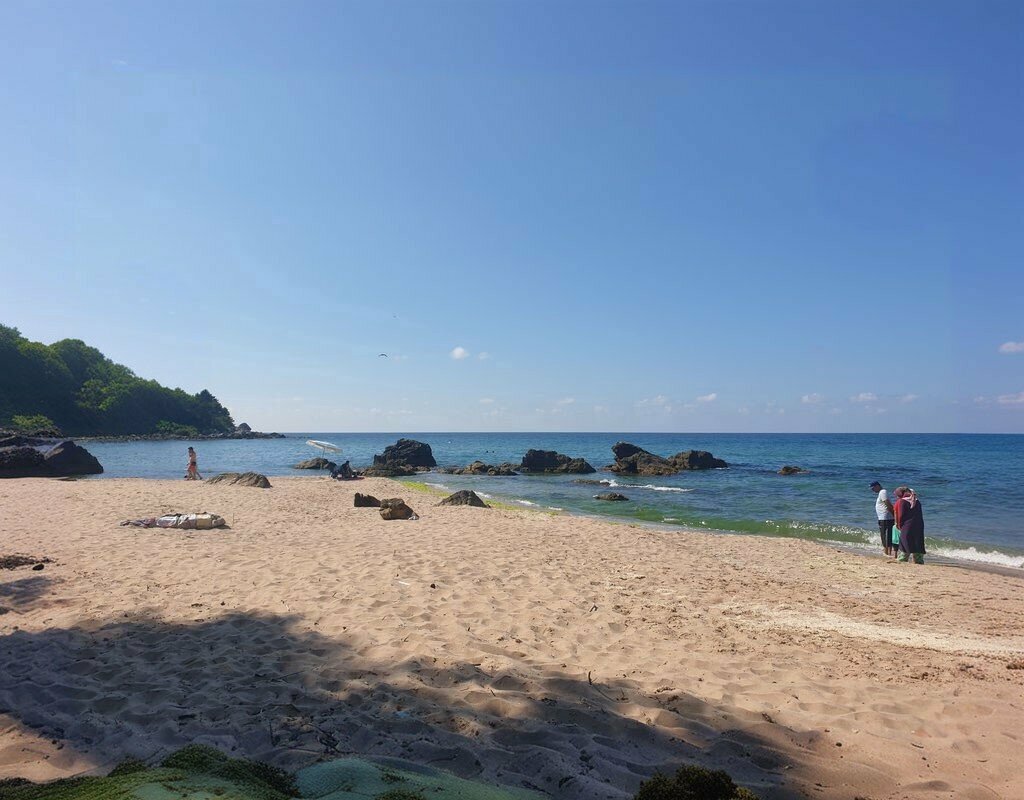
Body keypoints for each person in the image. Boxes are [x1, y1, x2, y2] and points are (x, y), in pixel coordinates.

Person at [894, 486, 925, 564]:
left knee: (905, 541)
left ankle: (903, 558)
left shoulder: (902, 501)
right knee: (917, 541)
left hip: (907, 525)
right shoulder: (916, 501)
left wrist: (898, 525)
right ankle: (918, 560)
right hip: (919, 524)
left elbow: (900, 515)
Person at [870, 481, 896, 557]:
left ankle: (887, 552)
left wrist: (893, 514)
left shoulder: (883, 492)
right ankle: (888, 552)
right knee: (887, 535)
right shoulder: (881, 493)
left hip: (885, 518)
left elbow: (887, 503)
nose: (872, 490)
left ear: (877, 486)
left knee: (885, 535)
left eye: (873, 488)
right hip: (885, 517)